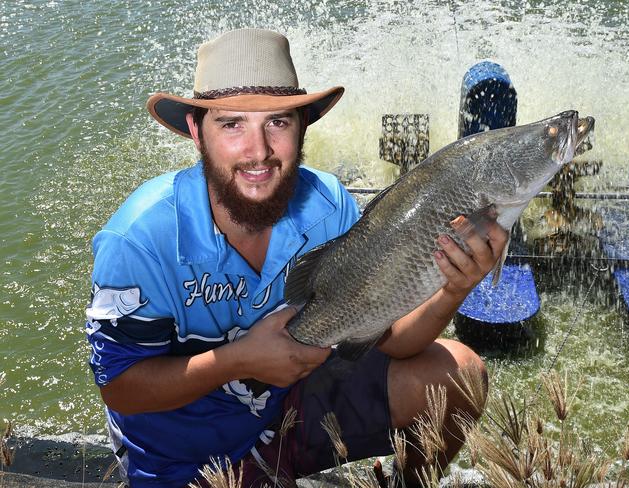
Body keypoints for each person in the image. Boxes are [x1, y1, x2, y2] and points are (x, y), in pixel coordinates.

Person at [85, 28, 508, 487]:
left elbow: (392, 340)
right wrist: (237, 360)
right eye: (232, 125)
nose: (259, 151)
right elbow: (121, 388)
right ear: (195, 131)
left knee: (457, 375)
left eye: (278, 122)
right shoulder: (139, 239)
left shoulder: (329, 206)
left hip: (290, 403)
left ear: (302, 125)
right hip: (184, 453)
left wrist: (454, 286)